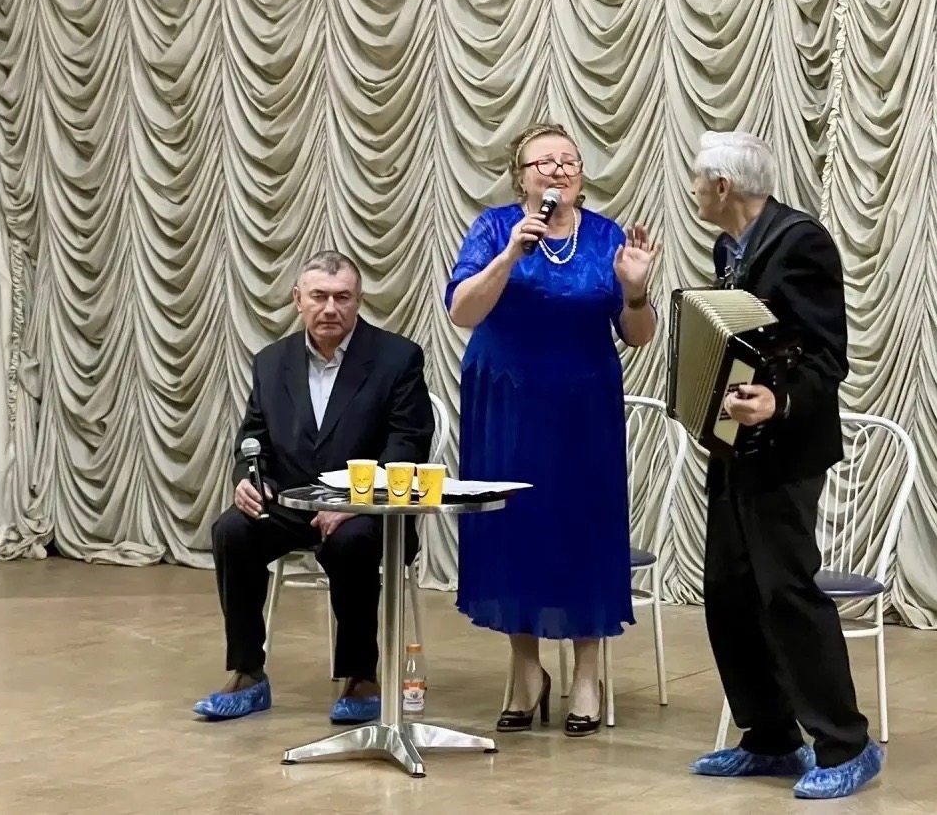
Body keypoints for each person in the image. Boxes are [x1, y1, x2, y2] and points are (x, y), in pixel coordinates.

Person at [685, 132, 883, 800]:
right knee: (729, 591)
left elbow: (827, 355)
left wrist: (779, 399)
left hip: (789, 448)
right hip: (734, 443)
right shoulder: (729, 248)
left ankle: (846, 743)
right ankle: (769, 737)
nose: (692, 190)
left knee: (786, 592)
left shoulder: (802, 242)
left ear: (722, 187)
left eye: (697, 179)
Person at [445, 122, 659, 737]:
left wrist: (636, 293)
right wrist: (511, 255)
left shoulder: (608, 236)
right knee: (514, 525)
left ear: (581, 175)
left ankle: (588, 672)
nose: (559, 170)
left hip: (583, 403)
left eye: (569, 161)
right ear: (521, 178)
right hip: (506, 399)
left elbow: (638, 335)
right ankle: (525, 668)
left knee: (583, 525)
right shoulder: (494, 228)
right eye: (545, 162)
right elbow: (462, 311)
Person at [194, 251, 434, 724]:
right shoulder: (271, 362)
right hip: (293, 502)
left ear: (359, 301)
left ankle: (360, 676)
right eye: (319, 296)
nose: (330, 308)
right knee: (231, 531)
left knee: (351, 541)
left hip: (373, 509)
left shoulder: (398, 358)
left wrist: (357, 502)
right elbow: (253, 439)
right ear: (297, 300)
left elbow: (408, 443)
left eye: (342, 297)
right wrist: (248, 480)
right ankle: (248, 673)